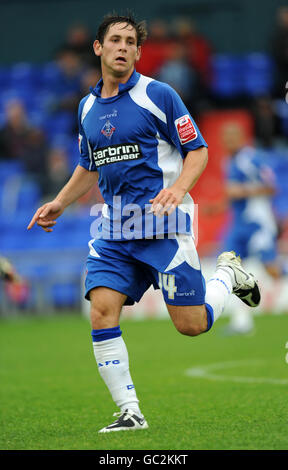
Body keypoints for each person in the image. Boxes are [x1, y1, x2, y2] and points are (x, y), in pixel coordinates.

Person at [27, 13, 260, 433]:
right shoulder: (87, 107)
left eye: (130, 41)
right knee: (102, 310)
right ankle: (129, 411)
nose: (122, 47)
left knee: (193, 325)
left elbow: (198, 151)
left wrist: (177, 189)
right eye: (114, 40)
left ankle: (227, 274)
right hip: (114, 231)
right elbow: (89, 165)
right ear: (98, 48)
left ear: (137, 51)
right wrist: (59, 202)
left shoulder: (159, 94)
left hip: (163, 229)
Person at [220, 123, 283, 334]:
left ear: (241, 138)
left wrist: (242, 190)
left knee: (272, 270)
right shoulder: (229, 161)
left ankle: (243, 321)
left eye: (232, 138)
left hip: (257, 223)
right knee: (233, 269)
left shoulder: (251, 158)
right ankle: (241, 322)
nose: (228, 143)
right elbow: (232, 195)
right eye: (225, 139)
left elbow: (271, 187)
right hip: (238, 224)